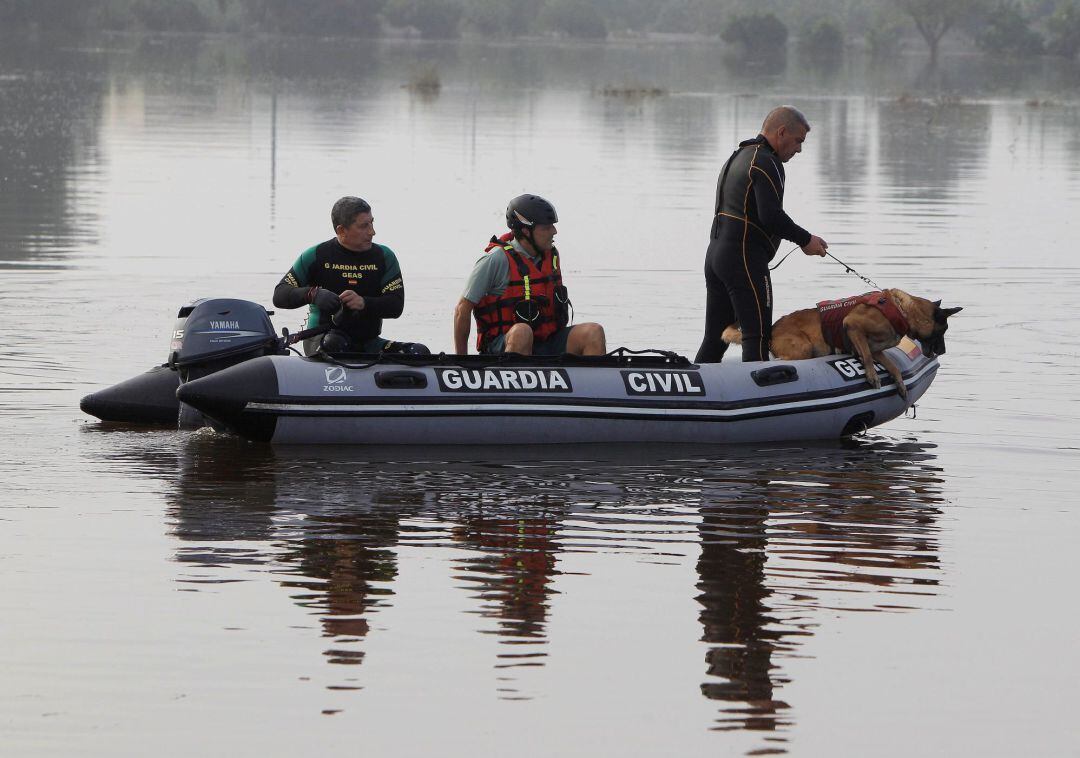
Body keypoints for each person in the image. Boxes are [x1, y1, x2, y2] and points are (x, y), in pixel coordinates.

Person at [695, 106, 829, 363]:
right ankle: (758, 400)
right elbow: (771, 216)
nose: (799, 149)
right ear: (781, 132)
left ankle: (692, 393)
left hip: (717, 256)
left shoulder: (740, 155)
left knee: (715, 338)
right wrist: (806, 240)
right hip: (743, 259)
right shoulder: (767, 161)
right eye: (798, 141)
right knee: (756, 336)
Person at [453, 194, 606, 356]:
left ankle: (593, 379)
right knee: (522, 332)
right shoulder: (495, 260)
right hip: (504, 344)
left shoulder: (551, 256)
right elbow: (462, 310)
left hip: (547, 341)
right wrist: (461, 362)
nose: (554, 231)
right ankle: (512, 376)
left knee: (593, 332)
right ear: (526, 231)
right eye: (546, 227)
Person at [273, 196, 427, 355]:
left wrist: (363, 303)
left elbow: (396, 306)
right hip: (322, 340)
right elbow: (279, 294)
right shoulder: (316, 255)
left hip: (368, 342)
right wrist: (312, 294)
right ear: (341, 230)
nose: (372, 232)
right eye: (364, 226)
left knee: (419, 352)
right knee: (336, 344)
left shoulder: (384, 257)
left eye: (372, 223)